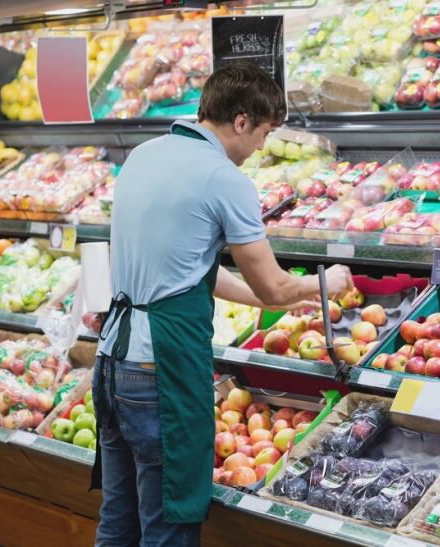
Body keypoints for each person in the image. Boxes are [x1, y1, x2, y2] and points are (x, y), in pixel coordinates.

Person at [90, 60, 353, 547]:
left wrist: (270, 298)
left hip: (113, 361)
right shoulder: (223, 178)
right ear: (240, 122)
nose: (261, 148)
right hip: (159, 371)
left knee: (119, 518)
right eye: (265, 134)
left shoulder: (145, 156)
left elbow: (187, 271)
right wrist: (324, 283)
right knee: (167, 523)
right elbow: (275, 287)